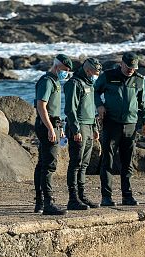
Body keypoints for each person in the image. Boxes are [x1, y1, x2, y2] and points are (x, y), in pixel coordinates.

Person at [94, 51, 145, 206]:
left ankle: (127, 196)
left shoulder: (139, 80)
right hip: (111, 123)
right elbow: (95, 91)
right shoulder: (108, 76)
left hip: (130, 125)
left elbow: (142, 102)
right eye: (129, 66)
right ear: (121, 64)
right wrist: (99, 105)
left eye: (134, 67)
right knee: (108, 161)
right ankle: (106, 197)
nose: (131, 69)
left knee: (127, 162)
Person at [34, 53, 73, 215]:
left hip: (54, 123)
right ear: (56, 67)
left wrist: (59, 127)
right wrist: (50, 128)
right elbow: (41, 106)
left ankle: (40, 202)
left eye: (68, 71)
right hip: (46, 124)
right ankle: (48, 202)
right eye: (64, 70)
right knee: (49, 164)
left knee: (43, 162)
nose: (66, 73)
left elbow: (53, 108)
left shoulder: (56, 81)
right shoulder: (46, 81)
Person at [64, 57, 102, 210]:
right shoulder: (74, 84)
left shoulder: (90, 84)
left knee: (84, 164)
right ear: (87, 70)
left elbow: (91, 109)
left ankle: (82, 195)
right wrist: (75, 129)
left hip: (88, 126)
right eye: (95, 72)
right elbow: (70, 109)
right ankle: (73, 198)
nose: (97, 75)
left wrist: (95, 128)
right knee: (75, 163)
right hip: (78, 127)